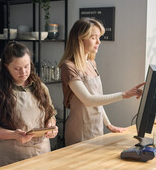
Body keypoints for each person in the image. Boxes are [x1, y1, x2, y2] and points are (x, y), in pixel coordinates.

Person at [58, 18, 144, 146]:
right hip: (79, 130)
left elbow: (97, 100)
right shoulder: (69, 67)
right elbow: (89, 100)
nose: (99, 42)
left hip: (97, 128)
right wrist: (124, 95)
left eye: (99, 37)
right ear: (79, 39)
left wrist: (108, 124)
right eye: (93, 37)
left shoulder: (92, 64)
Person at [0, 42, 58, 168]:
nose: (23, 72)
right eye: (17, 68)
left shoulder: (41, 88)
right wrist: (14, 135)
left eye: (27, 66)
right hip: (9, 157)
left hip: (40, 153)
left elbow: (51, 114)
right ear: (6, 67)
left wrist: (50, 126)